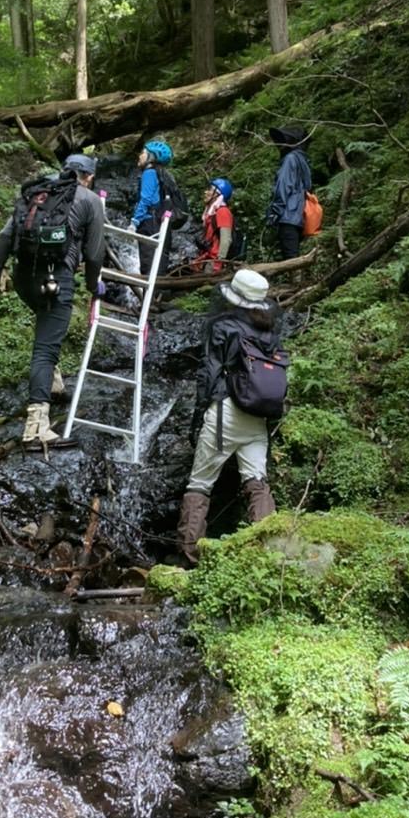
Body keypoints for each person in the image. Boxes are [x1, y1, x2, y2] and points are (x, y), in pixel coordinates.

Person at [0, 153, 105, 446]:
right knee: (45, 349)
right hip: (56, 279)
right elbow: (94, 253)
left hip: (24, 277)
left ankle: (53, 384)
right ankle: (36, 427)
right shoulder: (90, 200)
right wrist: (93, 285)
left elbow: (5, 237)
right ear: (88, 177)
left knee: (47, 331)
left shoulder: (39, 192)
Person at [177, 268, 284, 566]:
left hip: (226, 412)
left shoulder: (223, 326)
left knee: (200, 483)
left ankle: (189, 558)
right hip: (257, 415)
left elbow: (209, 373)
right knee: (256, 481)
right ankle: (269, 554)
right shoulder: (269, 330)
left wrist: (199, 413)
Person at [267, 125, 311, 259]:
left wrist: (275, 212)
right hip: (299, 216)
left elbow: (283, 187)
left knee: (291, 257)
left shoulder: (290, 159)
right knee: (293, 254)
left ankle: (297, 273)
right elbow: (308, 186)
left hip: (288, 215)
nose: (280, 146)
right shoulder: (303, 160)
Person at [131, 139, 173, 276]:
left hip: (150, 223)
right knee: (156, 263)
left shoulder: (149, 173)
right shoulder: (161, 174)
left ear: (151, 157)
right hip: (157, 223)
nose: (139, 156)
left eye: (143, 153)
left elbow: (146, 199)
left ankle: (149, 289)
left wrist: (135, 222)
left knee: (148, 263)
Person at [192, 178, 235, 273]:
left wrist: (219, 262)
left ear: (217, 194)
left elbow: (226, 239)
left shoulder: (223, 212)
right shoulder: (212, 213)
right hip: (207, 259)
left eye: (210, 190)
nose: (206, 192)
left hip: (213, 263)